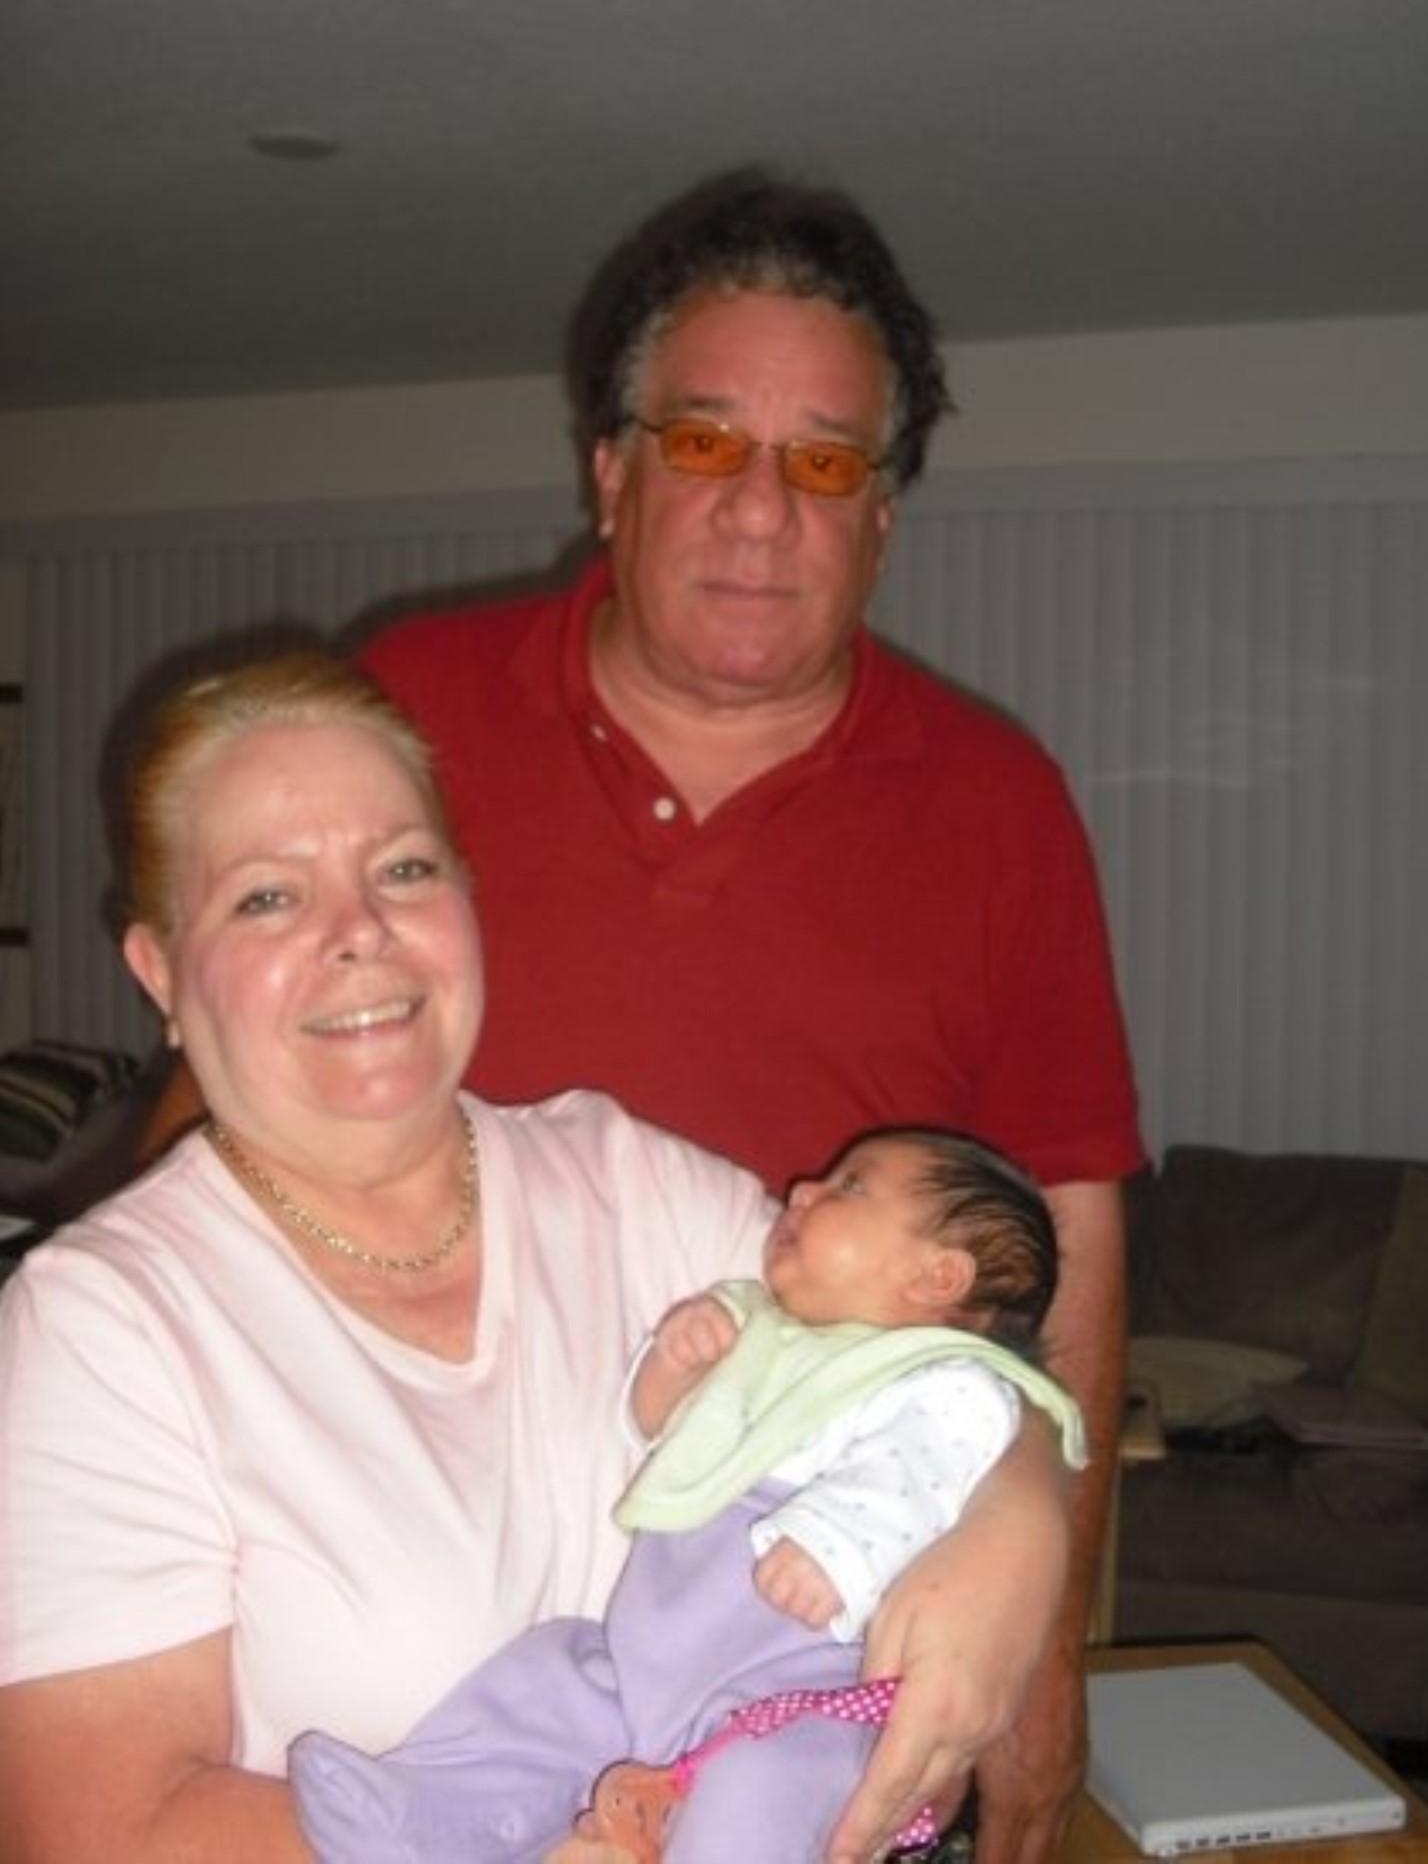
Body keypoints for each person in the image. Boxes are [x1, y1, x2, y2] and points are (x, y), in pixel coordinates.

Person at [143, 167, 1146, 1858]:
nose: (760, 511)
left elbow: (1070, 1231)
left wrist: (1047, 1638)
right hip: (423, 1614)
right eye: (703, 441)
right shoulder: (411, 713)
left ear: (883, 518)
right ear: (609, 472)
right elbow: (240, 1080)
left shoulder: (1002, 806)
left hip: (814, 1624)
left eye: (824, 462)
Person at [0, 651, 1070, 1864]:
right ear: (160, 971)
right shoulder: (105, 1323)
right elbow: (91, 1833)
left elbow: (925, 1353)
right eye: (267, 897)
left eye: (403, 869)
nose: (360, 933)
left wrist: (1019, 1525)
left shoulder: (630, 1184)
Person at [289, 1127, 1084, 1863]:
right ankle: (424, 1815)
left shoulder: (947, 1381)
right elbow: (658, 1431)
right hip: (649, 1655)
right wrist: (674, 1365)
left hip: (801, 1672)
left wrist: (840, 1545)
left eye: (852, 1187)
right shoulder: (762, 1325)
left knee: (763, 1787)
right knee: (546, 1682)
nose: (803, 1188)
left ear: (938, 1276)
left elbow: (919, 1468)